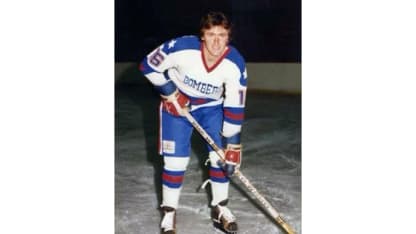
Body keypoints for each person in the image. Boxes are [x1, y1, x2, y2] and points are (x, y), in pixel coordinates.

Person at [139, 11, 247, 234]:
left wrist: (233, 144)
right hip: (176, 107)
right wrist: (170, 92)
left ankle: (220, 208)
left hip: (211, 108)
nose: (216, 41)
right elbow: (148, 65)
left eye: (222, 35)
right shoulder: (181, 48)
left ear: (229, 37)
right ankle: (169, 213)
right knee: (175, 162)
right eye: (211, 34)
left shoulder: (235, 63)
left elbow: (235, 107)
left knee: (221, 158)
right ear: (202, 36)